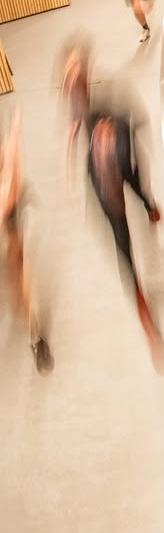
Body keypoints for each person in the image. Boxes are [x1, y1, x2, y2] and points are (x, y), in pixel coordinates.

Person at [85, 103, 164, 367]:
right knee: (129, 270)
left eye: (109, 132)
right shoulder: (91, 160)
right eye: (101, 133)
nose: (105, 137)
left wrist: (148, 204)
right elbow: (97, 195)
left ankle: (148, 323)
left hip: (118, 203)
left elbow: (132, 178)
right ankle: (150, 330)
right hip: (114, 217)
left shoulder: (121, 149)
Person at [1, 113, 53, 373]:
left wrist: (15, 132)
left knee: (23, 290)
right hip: (11, 233)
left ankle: (35, 338)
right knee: (19, 292)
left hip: (14, 238)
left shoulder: (9, 175)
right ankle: (34, 336)